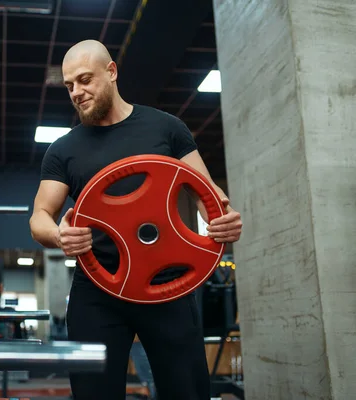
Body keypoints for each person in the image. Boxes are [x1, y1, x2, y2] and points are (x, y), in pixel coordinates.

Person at [29, 39, 243, 400]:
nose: (76, 93)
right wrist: (59, 235)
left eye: (85, 80)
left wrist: (224, 222)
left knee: (187, 392)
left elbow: (209, 197)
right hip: (98, 288)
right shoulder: (64, 149)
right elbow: (40, 217)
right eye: (69, 86)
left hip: (167, 285)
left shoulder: (166, 128)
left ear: (111, 72)